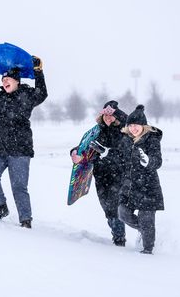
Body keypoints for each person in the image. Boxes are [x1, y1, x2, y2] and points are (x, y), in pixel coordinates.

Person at [0, 56, 48, 228]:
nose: (5, 81)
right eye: (3, 79)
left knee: (19, 187)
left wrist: (38, 72)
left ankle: (25, 220)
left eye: (8, 79)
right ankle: (1, 206)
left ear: (17, 81)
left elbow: (42, 93)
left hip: (20, 149)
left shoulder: (27, 95)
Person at [70, 100, 128, 246]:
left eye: (111, 115)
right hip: (100, 175)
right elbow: (84, 146)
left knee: (115, 207)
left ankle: (120, 238)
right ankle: (117, 233)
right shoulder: (97, 131)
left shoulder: (123, 131)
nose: (108, 118)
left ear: (116, 117)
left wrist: (106, 152)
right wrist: (75, 152)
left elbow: (124, 153)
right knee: (107, 207)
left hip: (118, 175)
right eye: (105, 115)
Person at [117, 105, 164, 254]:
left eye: (136, 125)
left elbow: (158, 161)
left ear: (143, 126)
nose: (133, 128)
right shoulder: (125, 140)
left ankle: (148, 250)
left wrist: (148, 161)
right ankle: (144, 231)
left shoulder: (152, 139)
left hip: (148, 186)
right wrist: (106, 154)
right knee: (122, 213)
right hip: (130, 186)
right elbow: (120, 159)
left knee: (146, 219)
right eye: (130, 125)